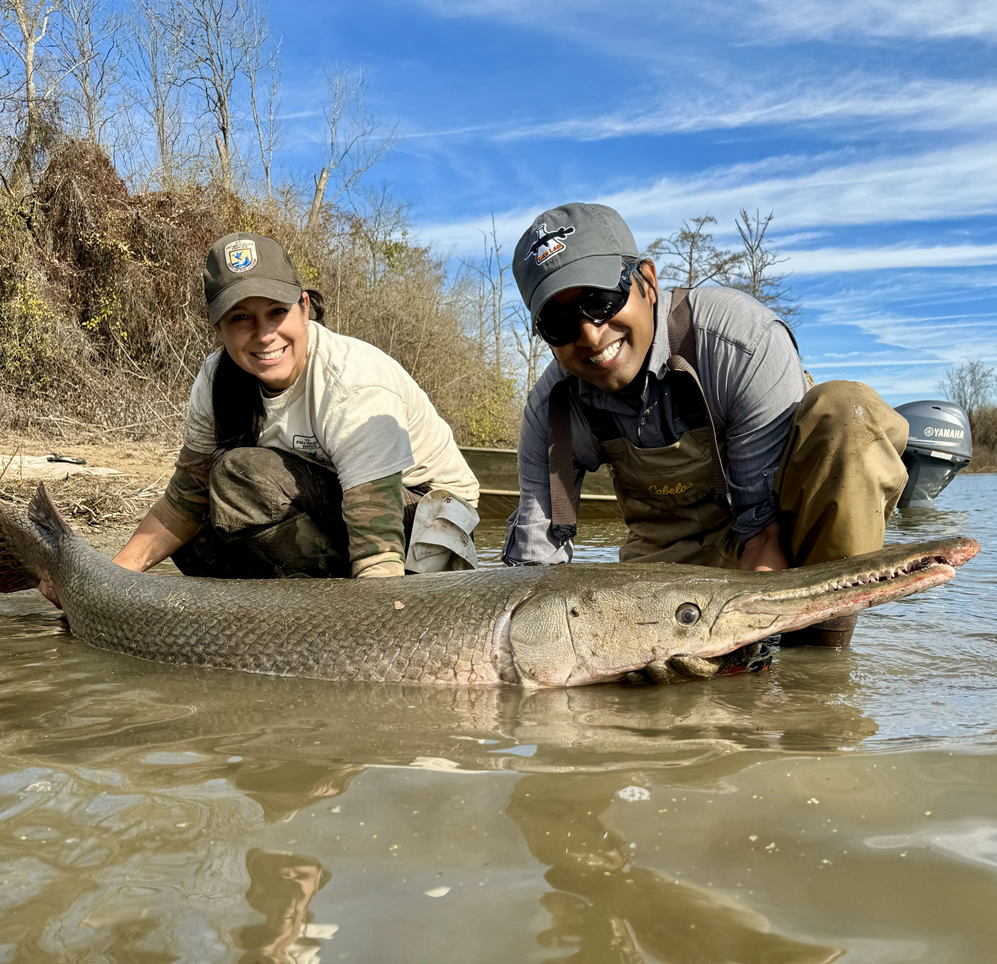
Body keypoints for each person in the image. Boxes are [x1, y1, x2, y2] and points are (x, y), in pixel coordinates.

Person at [503, 202, 908, 658]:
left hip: (774, 542)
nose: (591, 335)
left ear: (648, 282)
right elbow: (532, 573)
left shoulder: (741, 343)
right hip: (667, 566)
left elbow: (763, 530)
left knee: (847, 414)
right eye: (559, 324)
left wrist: (734, 643)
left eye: (601, 301)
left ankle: (821, 658)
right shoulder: (553, 407)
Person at [40, 231, 479, 607]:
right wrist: (102, 582)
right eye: (241, 318)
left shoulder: (355, 384)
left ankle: (330, 605)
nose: (265, 334)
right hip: (324, 503)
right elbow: (186, 499)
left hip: (420, 511)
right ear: (219, 329)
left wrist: (376, 616)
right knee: (197, 543)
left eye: (277, 312)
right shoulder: (215, 379)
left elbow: (376, 541)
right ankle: (293, 604)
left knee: (240, 475)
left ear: (305, 308)